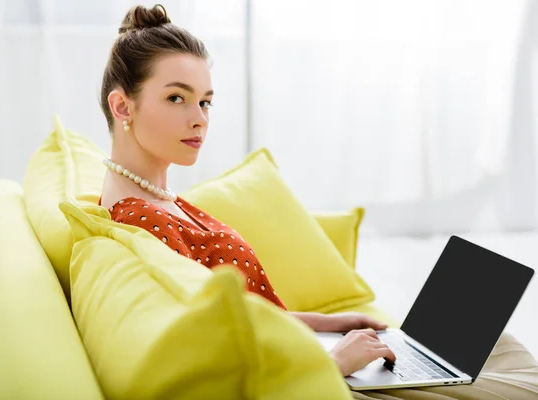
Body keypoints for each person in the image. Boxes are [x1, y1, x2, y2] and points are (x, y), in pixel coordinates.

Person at [98, 4, 538, 397]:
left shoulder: (157, 197)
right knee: (497, 359)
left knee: (479, 340)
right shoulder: (142, 221)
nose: (199, 119)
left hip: (307, 355)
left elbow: (248, 317)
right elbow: (216, 366)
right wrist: (335, 363)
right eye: (177, 98)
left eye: (206, 102)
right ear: (123, 107)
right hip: (310, 379)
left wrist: (325, 323)